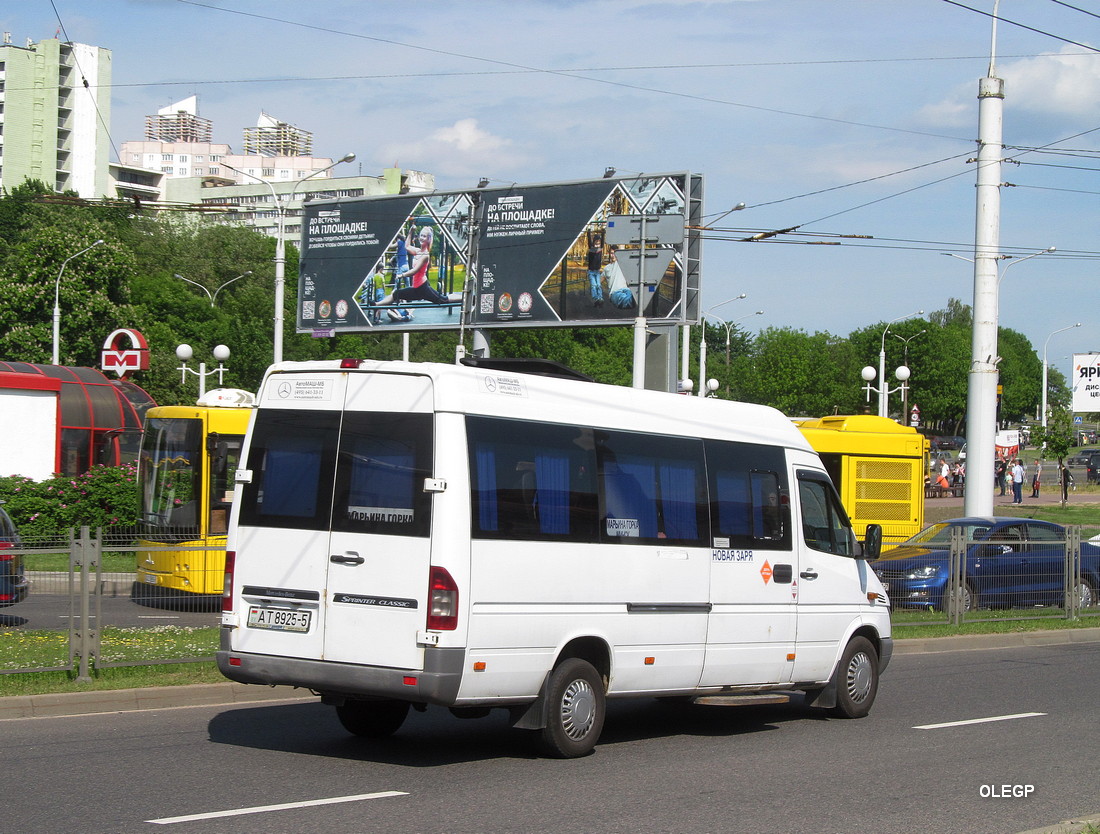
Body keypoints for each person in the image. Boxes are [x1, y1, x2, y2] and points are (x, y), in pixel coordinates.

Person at [374, 226, 451, 319]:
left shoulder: (425, 255)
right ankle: (376, 305)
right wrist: (410, 232)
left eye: (425, 236)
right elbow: (406, 246)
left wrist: (402, 275)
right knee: (396, 294)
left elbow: (414, 271)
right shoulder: (418, 251)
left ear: (429, 239)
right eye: (421, 235)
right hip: (416, 288)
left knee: (443, 300)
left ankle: (464, 298)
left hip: (423, 288)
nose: (422, 238)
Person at [586, 237, 604, 307]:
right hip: (591, 271)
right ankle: (596, 298)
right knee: (594, 285)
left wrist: (603, 232)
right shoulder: (591, 249)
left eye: (598, 244)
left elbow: (602, 242)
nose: (597, 245)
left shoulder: (600, 249)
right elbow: (589, 242)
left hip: (597, 271)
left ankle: (600, 298)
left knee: (598, 285)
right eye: (596, 244)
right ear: (593, 244)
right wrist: (589, 232)